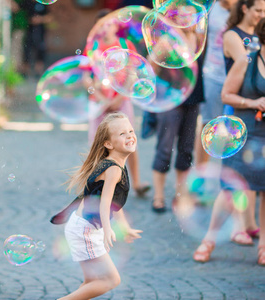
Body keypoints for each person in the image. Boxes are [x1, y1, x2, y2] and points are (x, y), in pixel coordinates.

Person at [193, 18, 265, 264]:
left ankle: (264, 246)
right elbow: (227, 94)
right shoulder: (247, 61)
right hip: (243, 133)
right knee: (229, 191)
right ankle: (209, 240)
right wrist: (253, 102)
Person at [51, 112, 142, 299]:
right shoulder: (113, 169)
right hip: (86, 230)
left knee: (92, 283)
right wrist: (108, 229)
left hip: (81, 226)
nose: (130, 136)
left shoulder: (115, 164)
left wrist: (124, 227)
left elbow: (115, 204)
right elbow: (106, 202)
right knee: (111, 280)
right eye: (122, 134)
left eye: (130, 131)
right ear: (108, 144)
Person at [87, 9, 151, 198]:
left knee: (128, 141)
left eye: (108, 24)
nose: (105, 29)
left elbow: (133, 74)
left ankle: (137, 182)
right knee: (96, 144)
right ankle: (98, 184)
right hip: (98, 103)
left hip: (121, 101)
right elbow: (86, 77)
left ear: (116, 25)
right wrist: (101, 97)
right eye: (101, 26)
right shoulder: (92, 47)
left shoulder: (125, 45)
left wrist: (119, 97)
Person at [150, 54, 205, 213]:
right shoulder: (166, 34)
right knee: (164, 148)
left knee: (187, 149)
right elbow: (153, 62)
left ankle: (180, 194)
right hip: (169, 93)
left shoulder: (198, 34)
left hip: (193, 95)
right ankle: (158, 196)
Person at [195, 0, 239, 167]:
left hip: (236, 76)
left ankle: (235, 174)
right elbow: (200, 41)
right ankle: (200, 173)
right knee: (208, 125)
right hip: (212, 75)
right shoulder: (210, 8)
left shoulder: (245, 8)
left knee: (235, 129)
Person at [11, 0, 52, 77]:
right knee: (27, 51)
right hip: (29, 32)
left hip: (40, 32)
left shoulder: (43, 4)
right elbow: (16, 8)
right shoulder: (27, 3)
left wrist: (40, 19)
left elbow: (49, 17)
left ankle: (38, 72)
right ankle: (25, 72)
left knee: (40, 52)